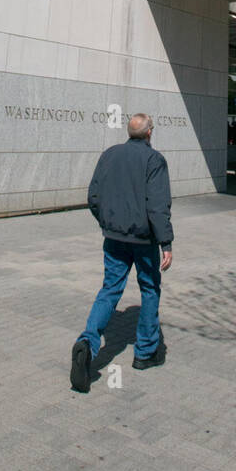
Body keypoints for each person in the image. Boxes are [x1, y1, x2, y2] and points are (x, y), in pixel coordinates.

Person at [70, 113, 173, 392]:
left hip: (114, 238)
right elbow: (157, 205)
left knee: (110, 290)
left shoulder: (110, 155)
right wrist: (166, 243)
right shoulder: (154, 160)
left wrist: (107, 222)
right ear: (150, 132)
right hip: (143, 239)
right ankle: (145, 353)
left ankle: (87, 344)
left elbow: (93, 196)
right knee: (150, 289)